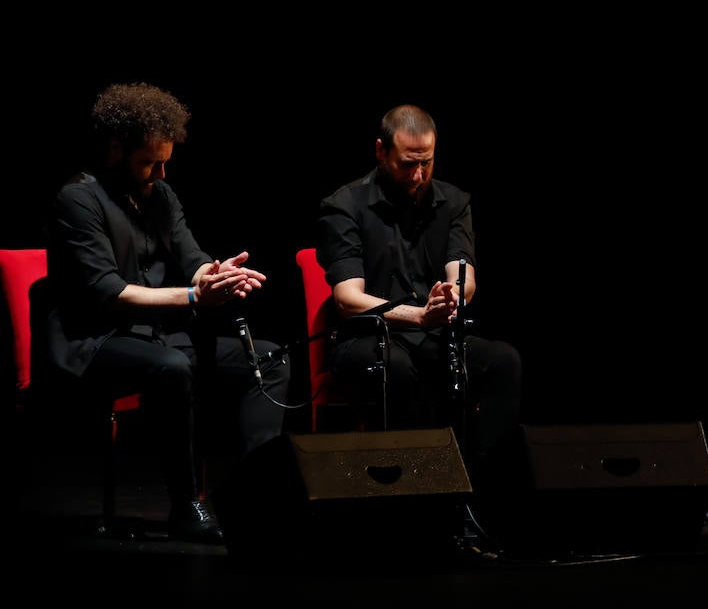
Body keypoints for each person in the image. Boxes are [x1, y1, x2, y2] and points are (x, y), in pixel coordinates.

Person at [43, 82, 289, 543]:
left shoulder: (160, 195)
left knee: (268, 359)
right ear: (115, 149)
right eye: (150, 162)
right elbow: (108, 293)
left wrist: (215, 277)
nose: (160, 172)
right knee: (173, 367)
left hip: (155, 334)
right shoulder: (79, 199)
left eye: (165, 161)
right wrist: (195, 298)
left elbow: (191, 256)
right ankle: (185, 505)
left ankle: (261, 494)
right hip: (95, 339)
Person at [314, 104, 522, 471]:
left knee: (502, 361)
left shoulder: (454, 202)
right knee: (394, 366)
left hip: (431, 335)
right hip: (367, 339)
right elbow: (348, 299)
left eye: (426, 162)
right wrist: (421, 316)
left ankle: (480, 481)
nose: (418, 175)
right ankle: (411, 482)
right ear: (381, 151)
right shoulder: (344, 205)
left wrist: (454, 295)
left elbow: (463, 271)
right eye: (407, 164)